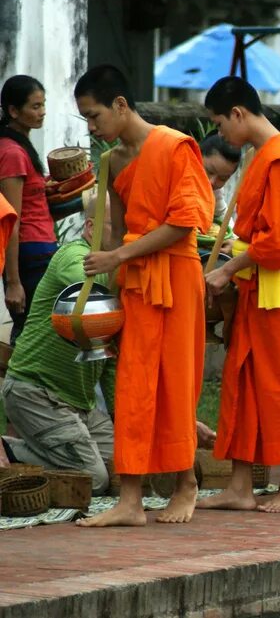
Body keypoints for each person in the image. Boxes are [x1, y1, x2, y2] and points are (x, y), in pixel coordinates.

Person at [74, 64, 214, 526]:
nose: (92, 128)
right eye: (86, 121)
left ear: (120, 104)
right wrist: (106, 286)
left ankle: (186, 484)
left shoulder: (175, 146)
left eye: (94, 117)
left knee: (176, 383)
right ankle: (130, 499)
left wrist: (118, 257)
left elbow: (183, 223)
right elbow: (115, 231)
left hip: (176, 276)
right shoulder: (112, 160)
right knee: (132, 386)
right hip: (134, 280)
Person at [198, 77, 280, 514]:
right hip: (258, 280)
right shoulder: (263, 155)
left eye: (219, 123)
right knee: (243, 379)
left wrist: (229, 267)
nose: (221, 135)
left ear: (238, 114)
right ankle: (241, 485)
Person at [0, 192, 113, 491]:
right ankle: (8, 451)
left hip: (82, 407)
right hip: (35, 394)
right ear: (92, 229)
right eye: (122, 227)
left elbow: (112, 363)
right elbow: (86, 285)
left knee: (125, 469)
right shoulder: (72, 256)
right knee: (94, 479)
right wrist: (127, 275)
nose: (131, 237)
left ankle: (36, 450)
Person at [0, 75, 57, 345]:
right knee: (33, 332)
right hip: (29, 253)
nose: (42, 112)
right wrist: (13, 281)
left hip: (39, 246)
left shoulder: (21, 144)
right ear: (13, 111)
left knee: (37, 330)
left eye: (43, 104)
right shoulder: (12, 153)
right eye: (35, 106)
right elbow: (11, 219)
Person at [199, 133, 241, 224]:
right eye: (209, 171)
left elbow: (222, 215)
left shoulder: (215, 192)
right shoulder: (173, 177)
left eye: (222, 178)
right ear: (196, 157)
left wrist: (234, 237)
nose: (212, 182)